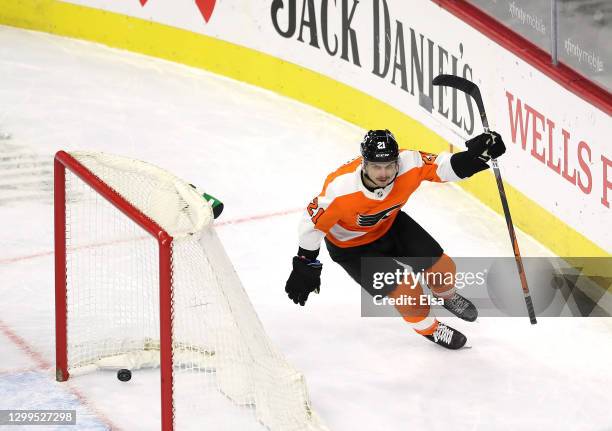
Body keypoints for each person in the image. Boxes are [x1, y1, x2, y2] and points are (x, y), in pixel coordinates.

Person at [284, 129, 506, 349]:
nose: (383, 174)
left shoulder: (410, 162)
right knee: (409, 293)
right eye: (376, 167)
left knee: (444, 268)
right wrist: (306, 263)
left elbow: (444, 167)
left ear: (397, 162)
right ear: (364, 163)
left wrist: (476, 156)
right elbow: (311, 226)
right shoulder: (340, 189)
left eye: (390, 166)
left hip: (389, 225)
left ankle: (445, 296)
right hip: (352, 249)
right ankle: (429, 328)